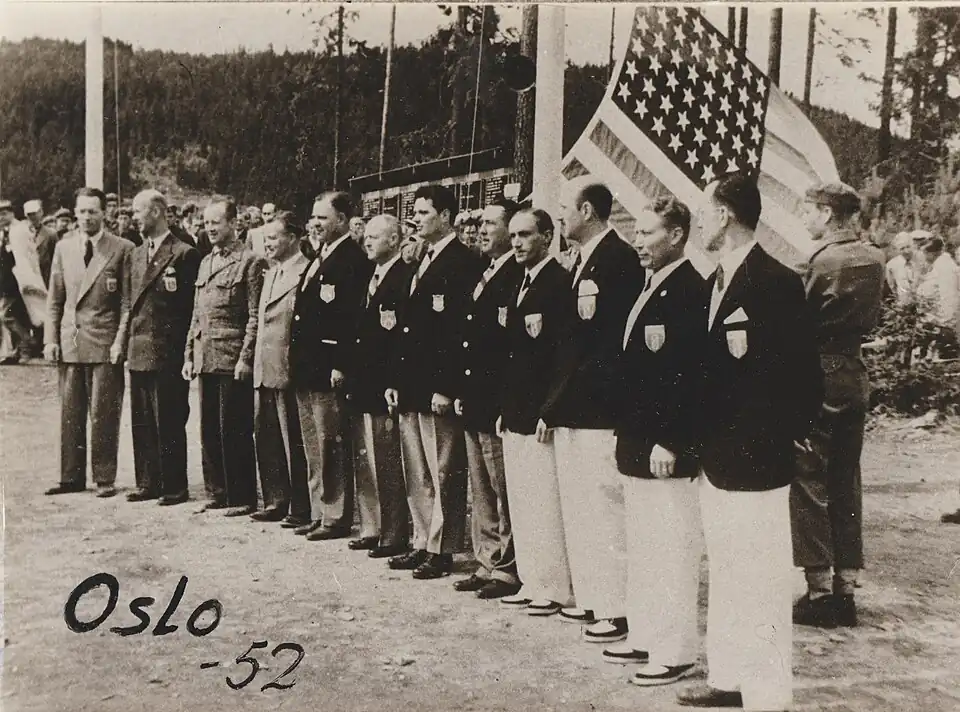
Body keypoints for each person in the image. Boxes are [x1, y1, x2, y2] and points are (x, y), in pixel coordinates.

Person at [676, 172, 821, 712]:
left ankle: (766, 694)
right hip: (717, 460)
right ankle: (729, 678)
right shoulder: (718, 280)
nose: (698, 221)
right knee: (729, 571)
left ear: (725, 215)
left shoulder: (774, 282)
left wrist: (775, 440)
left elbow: (801, 378)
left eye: (703, 210)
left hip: (755, 460)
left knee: (760, 578)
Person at [538, 179, 644, 643]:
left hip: (598, 408)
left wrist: (569, 398)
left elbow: (606, 346)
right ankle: (593, 597)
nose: (560, 216)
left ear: (586, 211)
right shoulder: (583, 259)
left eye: (566, 208)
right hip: (575, 407)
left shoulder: (617, 259)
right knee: (581, 510)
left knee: (604, 512)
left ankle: (616, 609)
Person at [614, 197, 706, 683]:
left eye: (648, 233)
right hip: (638, 442)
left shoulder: (690, 291)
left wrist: (672, 439)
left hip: (664, 447)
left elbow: (689, 376)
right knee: (645, 545)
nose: (638, 241)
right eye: (637, 231)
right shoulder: (651, 286)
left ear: (675, 235)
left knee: (671, 550)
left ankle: (674, 651)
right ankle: (647, 635)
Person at [791, 182, 885, 629]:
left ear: (827, 213)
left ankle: (819, 590)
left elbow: (798, 319)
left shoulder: (819, 261)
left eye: (808, 210)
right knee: (846, 477)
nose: (804, 217)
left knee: (808, 473)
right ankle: (846, 587)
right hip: (854, 369)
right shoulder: (874, 258)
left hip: (818, 371)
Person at [385, 184, 485, 579]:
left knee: (443, 468)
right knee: (418, 469)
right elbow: (408, 327)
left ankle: (442, 547)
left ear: (446, 216)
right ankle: (422, 539)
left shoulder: (462, 261)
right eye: (415, 213)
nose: (417, 219)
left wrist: (446, 385)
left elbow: (457, 332)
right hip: (412, 381)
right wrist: (396, 379)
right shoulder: (420, 259)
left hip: (436, 383)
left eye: (424, 212)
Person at [498, 207, 575, 617]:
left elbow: (561, 357)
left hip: (540, 414)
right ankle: (531, 580)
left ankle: (552, 585)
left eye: (525, 234)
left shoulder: (559, 282)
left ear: (547, 237)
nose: (517, 242)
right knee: (523, 500)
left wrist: (551, 409)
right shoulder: (519, 281)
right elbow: (513, 354)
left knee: (544, 503)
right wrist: (505, 407)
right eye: (513, 235)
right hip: (516, 410)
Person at [290, 192, 372, 541]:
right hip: (307, 366)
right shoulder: (319, 256)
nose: (315, 224)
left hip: (328, 367)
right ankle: (319, 510)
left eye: (322, 218)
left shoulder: (352, 259)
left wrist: (341, 364)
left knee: (330, 444)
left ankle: (335, 515)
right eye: (313, 217)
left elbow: (351, 320)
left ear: (342, 219)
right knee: (314, 444)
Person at [452, 199, 523, 600]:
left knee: (501, 487)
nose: (481, 229)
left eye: (491, 223)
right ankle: (488, 559)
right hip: (475, 395)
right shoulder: (487, 271)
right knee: (481, 487)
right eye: (479, 222)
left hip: (495, 399)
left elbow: (507, 347)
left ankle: (508, 567)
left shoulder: (515, 275)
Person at [43, 187, 133, 498]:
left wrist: (120, 340)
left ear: (104, 213)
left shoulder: (121, 248)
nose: (86, 217)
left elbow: (126, 303)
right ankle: (71, 476)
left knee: (104, 413)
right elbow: (55, 300)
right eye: (81, 211)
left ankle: (104, 477)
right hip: (71, 340)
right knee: (70, 414)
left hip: (105, 342)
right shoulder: (63, 247)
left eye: (92, 211)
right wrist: (50, 340)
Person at [184, 196, 265, 517]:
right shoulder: (206, 261)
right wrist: (189, 354)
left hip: (232, 358)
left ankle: (241, 496)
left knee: (234, 428)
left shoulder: (250, 262)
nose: (210, 228)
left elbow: (254, 316)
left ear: (234, 224)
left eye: (216, 222)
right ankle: (217, 491)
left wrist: (246, 357)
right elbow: (197, 313)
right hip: (207, 356)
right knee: (209, 430)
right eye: (206, 223)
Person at [126, 189, 201, 505]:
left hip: (167, 351)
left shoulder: (183, 254)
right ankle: (148, 481)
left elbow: (190, 310)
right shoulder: (135, 255)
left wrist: (186, 353)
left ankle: (173, 486)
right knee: (142, 419)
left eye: (138, 211)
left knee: (168, 419)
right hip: (139, 347)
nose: (133, 217)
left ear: (156, 212)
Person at [347, 214, 414, 558]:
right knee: (366, 459)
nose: (367, 241)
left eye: (375, 236)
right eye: (366, 236)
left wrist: (393, 380)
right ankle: (371, 526)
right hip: (364, 381)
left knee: (388, 461)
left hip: (385, 383)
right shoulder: (370, 277)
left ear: (394, 240)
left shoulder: (403, 277)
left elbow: (400, 337)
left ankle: (393, 532)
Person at [251, 211, 311, 526]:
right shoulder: (271, 272)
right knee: (268, 437)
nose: (268, 244)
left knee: (294, 442)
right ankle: (276, 500)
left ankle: (300, 506)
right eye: (266, 238)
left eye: (273, 237)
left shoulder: (305, 271)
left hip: (287, 368)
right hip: (265, 367)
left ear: (292, 238)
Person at [0, 200, 32, 364]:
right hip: (6, 280)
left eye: (4, 213)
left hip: (18, 279)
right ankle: (17, 351)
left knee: (5, 315)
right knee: (15, 314)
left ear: (12, 213)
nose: (1, 217)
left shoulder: (20, 230)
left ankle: (28, 341)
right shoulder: (4, 232)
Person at [884, 232, 916, 304]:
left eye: (908, 247)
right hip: (903, 303)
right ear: (897, 250)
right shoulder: (891, 265)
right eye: (902, 248)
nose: (906, 251)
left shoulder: (920, 261)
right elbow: (892, 286)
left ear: (912, 246)